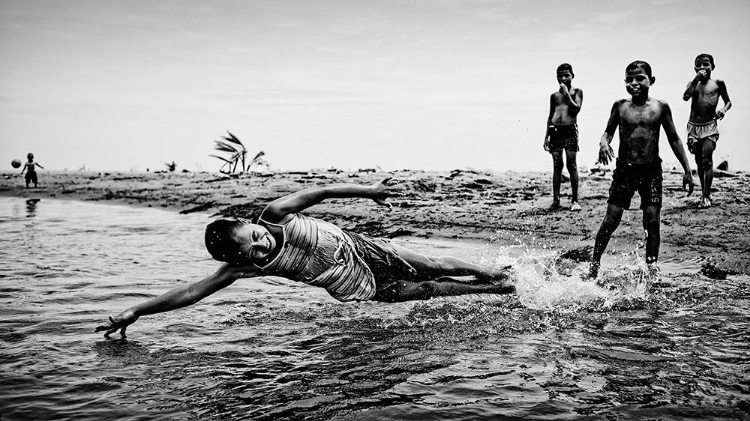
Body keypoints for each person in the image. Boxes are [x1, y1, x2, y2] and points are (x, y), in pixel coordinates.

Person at [96, 178, 515, 338]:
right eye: (251, 250)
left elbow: (320, 193)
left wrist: (370, 193)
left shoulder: (275, 215)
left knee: (435, 265)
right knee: (426, 290)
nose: (261, 247)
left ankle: (489, 271)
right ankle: (501, 290)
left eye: (255, 238)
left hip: (362, 248)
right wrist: (136, 310)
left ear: (251, 222)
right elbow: (191, 292)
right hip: (351, 284)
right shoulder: (244, 267)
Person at [588, 60, 694, 279]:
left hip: (651, 172)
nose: (634, 83)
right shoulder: (620, 106)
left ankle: (652, 270)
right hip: (625, 171)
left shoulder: (660, 107)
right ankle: (594, 264)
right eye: (629, 79)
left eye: (639, 78)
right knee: (611, 219)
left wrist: (687, 169)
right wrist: (603, 142)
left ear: (651, 81)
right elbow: (607, 132)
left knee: (652, 222)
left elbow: (674, 138)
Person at [682, 53, 732, 208]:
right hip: (694, 127)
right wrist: (696, 79)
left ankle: (706, 194)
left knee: (707, 160)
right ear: (695, 67)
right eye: (699, 65)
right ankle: (704, 191)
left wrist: (723, 110)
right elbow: (685, 97)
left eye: (706, 64)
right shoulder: (692, 83)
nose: (702, 68)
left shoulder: (718, 83)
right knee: (698, 160)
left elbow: (728, 102)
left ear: (713, 67)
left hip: (710, 127)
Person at [543, 63, 584, 212]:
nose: (563, 78)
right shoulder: (554, 96)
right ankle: (556, 201)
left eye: (566, 75)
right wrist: (546, 136)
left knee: (571, 165)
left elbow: (576, 109)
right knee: (557, 166)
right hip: (555, 131)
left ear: (572, 76)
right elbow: (550, 116)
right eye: (560, 76)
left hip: (569, 131)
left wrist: (567, 94)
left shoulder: (577, 91)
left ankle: (575, 200)